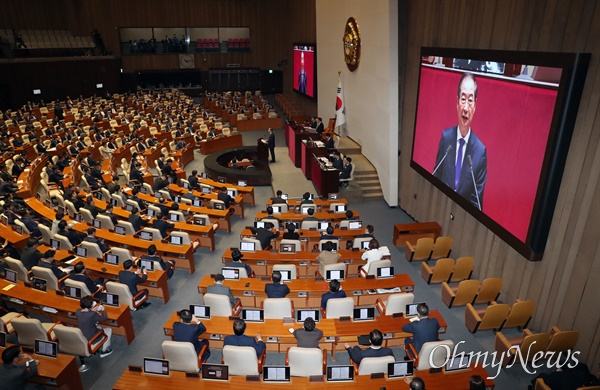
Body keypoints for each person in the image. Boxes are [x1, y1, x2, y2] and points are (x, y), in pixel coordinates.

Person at [433, 72, 487, 210]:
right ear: (457, 103)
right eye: (463, 99)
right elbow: (436, 178)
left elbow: (476, 202)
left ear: (475, 106)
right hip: (440, 207)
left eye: (470, 100)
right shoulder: (446, 138)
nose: (466, 107)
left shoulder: (480, 152)